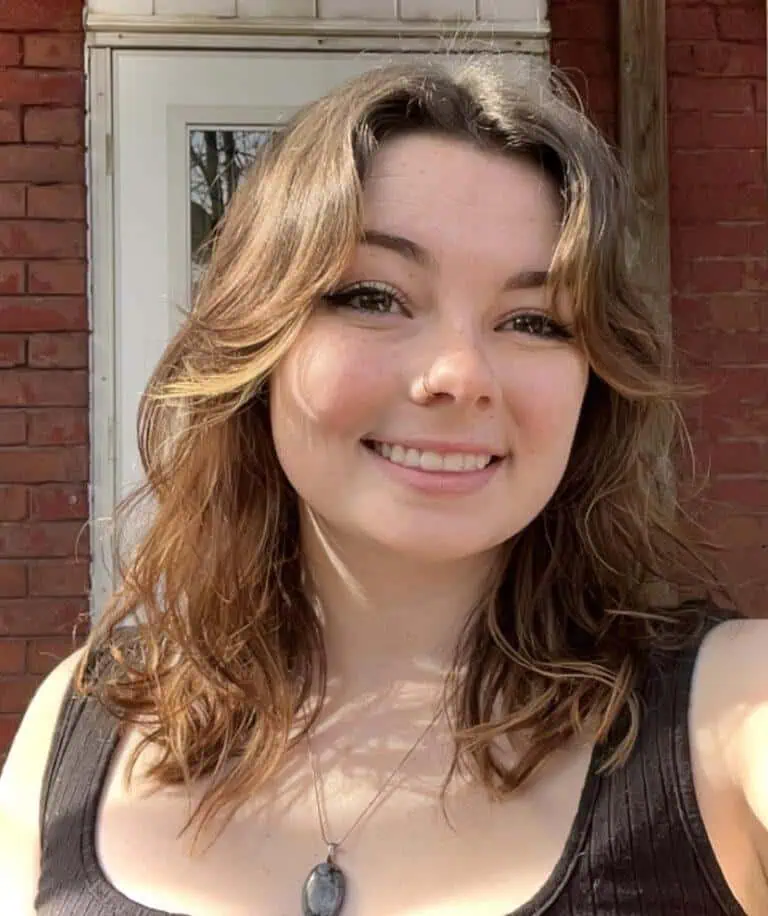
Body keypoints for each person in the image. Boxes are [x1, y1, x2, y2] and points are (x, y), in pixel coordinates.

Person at [0, 57, 765, 916]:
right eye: (374, 297)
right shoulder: (80, 719)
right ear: (259, 340)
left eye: (533, 320)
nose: (459, 376)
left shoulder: (736, 713)